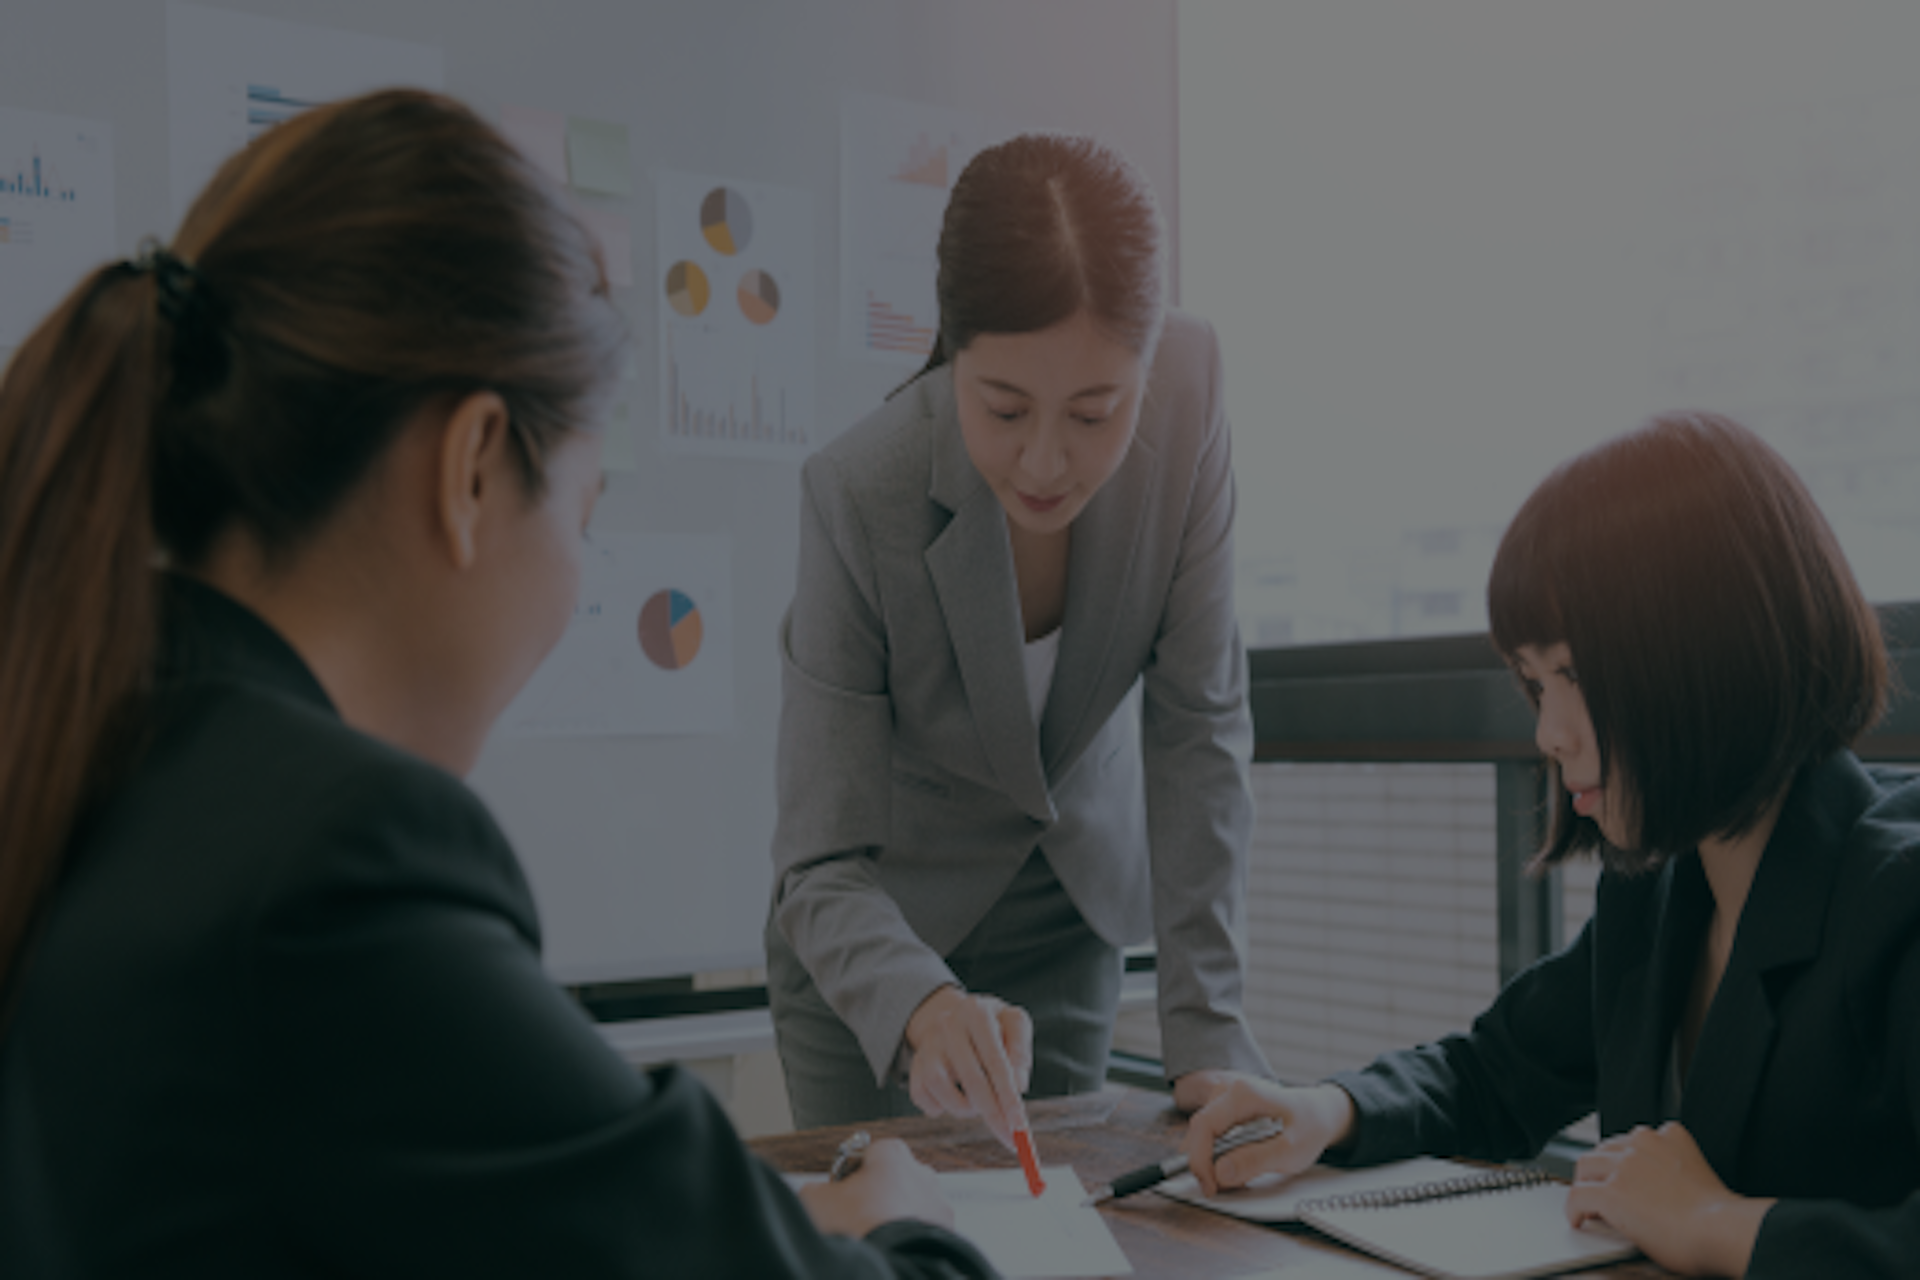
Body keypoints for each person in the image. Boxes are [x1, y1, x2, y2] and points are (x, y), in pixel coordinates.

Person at [0, 89, 995, 1279]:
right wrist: (908, 1224)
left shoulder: (82, 737)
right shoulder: (335, 863)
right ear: (471, 467)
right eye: (586, 508)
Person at [1177, 412, 1919, 1279]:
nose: (1549, 732)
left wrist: (1719, 1222)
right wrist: (1326, 1110)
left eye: (1575, 675)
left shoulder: (1896, 901)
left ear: (1712, 650)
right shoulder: (1660, 893)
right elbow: (1494, 1073)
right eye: (1534, 682)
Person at [767, 131, 1271, 1148]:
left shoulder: (1194, 383)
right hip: (876, 949)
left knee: (1054, 1235)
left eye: (1096, 410)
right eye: (1004, 407)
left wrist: (1209, 1039)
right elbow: (817, 861)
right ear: (951, 348)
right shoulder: (860, 490)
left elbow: (1199, 732)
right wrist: (920, 1000)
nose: (1047, 460)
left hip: (1068, 919)